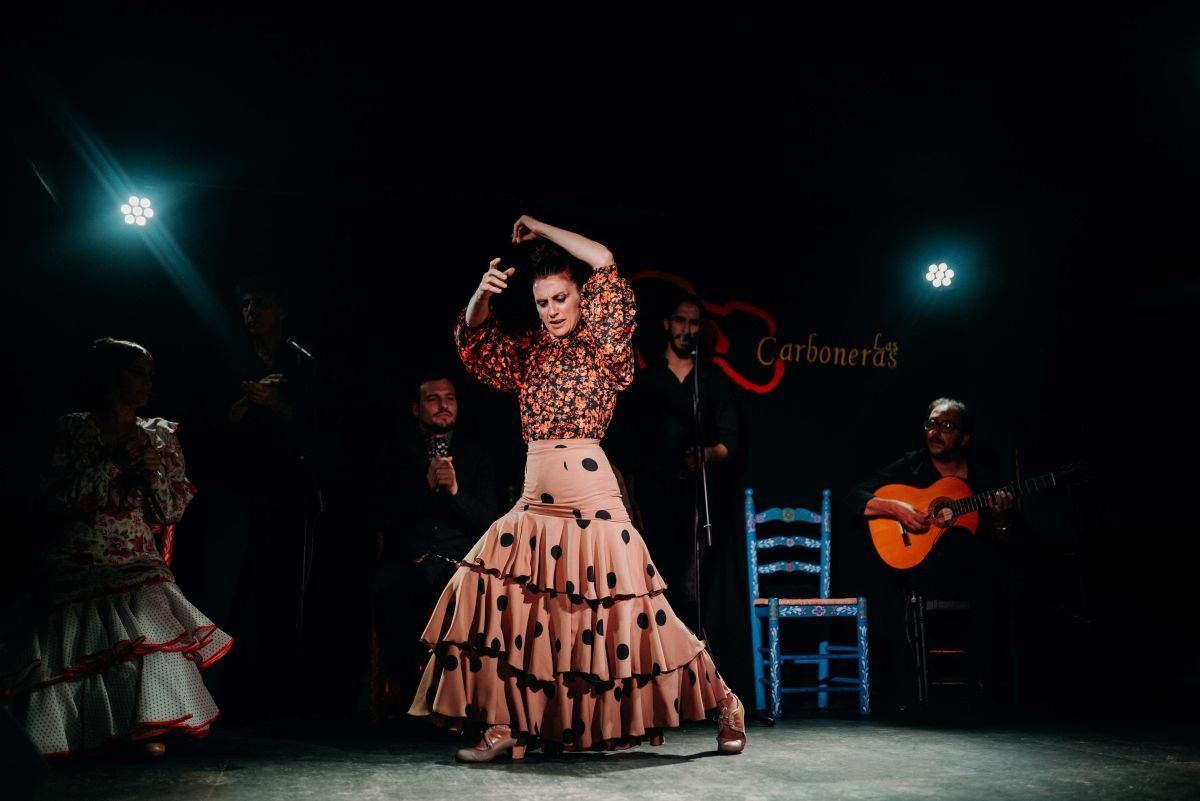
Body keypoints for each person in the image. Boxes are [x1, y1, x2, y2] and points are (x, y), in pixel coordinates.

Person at [408, 215, 747, 761]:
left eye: (561, 298)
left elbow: (604, 260)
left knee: (640, 615)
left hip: (591, 500)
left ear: (581, 298)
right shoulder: (527, 353)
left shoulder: (602, 346)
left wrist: (540, 229)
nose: (552, 310)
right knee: (504, 602)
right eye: (542, 303)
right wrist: (480, 296)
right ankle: (505, 724)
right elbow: (474, 341)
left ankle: (725, 702)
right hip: (534, 503)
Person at [0, 338, 230, 757]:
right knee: (71, 623)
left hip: (134, 554)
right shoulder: (76, 429)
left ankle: (140, 725)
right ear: (110, 377)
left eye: (150, 375)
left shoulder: (159, 435)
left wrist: (151, 476)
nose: (147, 383)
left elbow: (170, 511)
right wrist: (113, 466)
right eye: (136, 372)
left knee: (148, 602)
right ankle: (74, 731)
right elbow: (57, 499)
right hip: (78, 551)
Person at [842, 397, 1014, 714]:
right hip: (924, 572)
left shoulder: (984, 481)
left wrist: (1002, 521)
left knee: (989, 571)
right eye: (931, 424)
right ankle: (908, 692)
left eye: (946, 426)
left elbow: (1005, 543)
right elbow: (854, 498)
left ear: (965, 438)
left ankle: (982, 688)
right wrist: (897, 509)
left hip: (973, 576)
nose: (935, 432)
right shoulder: (913, 465)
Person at [370, 373, 501, 707]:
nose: (444, 405)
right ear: (416, 408)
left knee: (482, 598)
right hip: (408, 559)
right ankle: (408, 698)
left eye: (450, 398)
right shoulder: (395, 450)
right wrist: (424, 488)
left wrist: (455, 491)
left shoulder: (477, 453)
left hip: (459, 563)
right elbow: (381, 515)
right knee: (387, 590)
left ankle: (462, 702)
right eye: (433, 399)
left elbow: (490, 522)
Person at [622, 293, 741, 634]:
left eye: (693, 323)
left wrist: (705, 454)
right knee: (654, 585)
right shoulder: (646, 380)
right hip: (653, 497)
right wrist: (630, 498)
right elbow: (629, 447)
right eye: (680, 320)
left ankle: (691, 658)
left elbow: (731, 443)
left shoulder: (711, 380)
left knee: (692, 591)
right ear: (667, 324)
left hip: (697, 500)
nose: (686, 329)